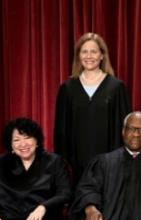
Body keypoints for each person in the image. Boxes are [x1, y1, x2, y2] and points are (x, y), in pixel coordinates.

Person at [55, 32, 131, 182]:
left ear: (102, 55)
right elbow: (61, 130)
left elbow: (125, 128)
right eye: (84, 51)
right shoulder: (68, 88)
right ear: (78, 56)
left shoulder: (116, 87)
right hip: (77, 165)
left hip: (110, 165)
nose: (89, 56)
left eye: (94, 51)